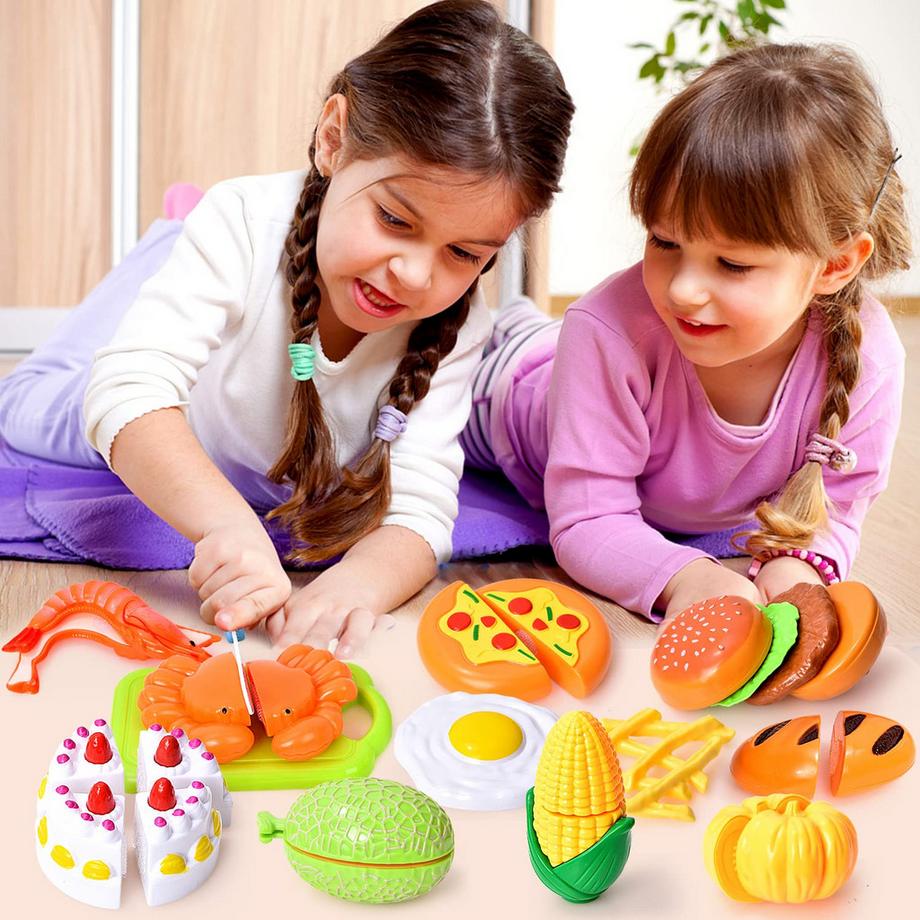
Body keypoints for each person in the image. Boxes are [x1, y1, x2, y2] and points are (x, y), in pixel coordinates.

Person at [0, 0, 574, 654]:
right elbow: (129, 392)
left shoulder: (460, 321)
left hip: (261, 333)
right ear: (333, 138)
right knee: (22, 408)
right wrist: (226, 527)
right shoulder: (242, 220)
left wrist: (356, 584)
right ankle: (169, 242)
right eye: (395, 219)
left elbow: (420, 512)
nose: (416, 276)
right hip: (205, 353)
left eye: (466, 253)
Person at [461, 42, 910, 622]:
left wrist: (797, 567)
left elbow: (839, 510)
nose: (682, 291)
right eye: (665, 243)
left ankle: (522, 320)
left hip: (580, 356)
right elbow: (588, 518)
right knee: (463, 361)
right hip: (509, 395)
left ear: (835, 265)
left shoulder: (870, 358)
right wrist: (685, 577)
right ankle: (509, 323)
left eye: (733, 263)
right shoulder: (604, 331)